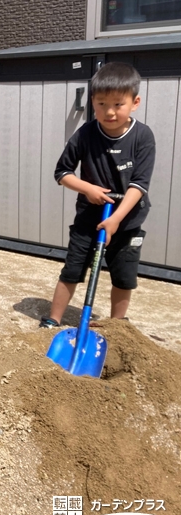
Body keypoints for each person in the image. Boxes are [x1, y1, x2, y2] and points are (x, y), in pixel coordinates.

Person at [39, 61, 155, 329]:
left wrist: (116, 220)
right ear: (92, 101)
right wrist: (87, 188)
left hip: (127, 221)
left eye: (118, 104)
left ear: (134, 102)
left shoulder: (142, 137)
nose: (109, 111)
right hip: (88, 218)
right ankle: (52, 320)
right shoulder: (86, 134)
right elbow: (62, 172)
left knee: (123, 276)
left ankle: (118, 327)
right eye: (102, 104)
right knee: (72, 269)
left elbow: (139, 184)